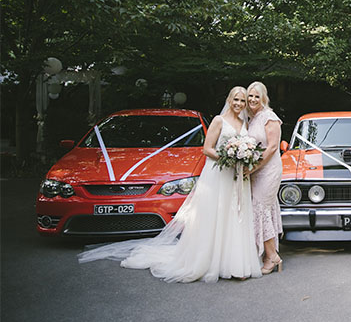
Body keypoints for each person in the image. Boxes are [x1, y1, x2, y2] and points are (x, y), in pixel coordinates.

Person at [78, 86, 262, 283]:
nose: (239, 104)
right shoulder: (219, 121)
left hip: (235, 177)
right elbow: (207, 149)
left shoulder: (244, 122)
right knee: (215, 217)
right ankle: (209, 261)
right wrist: (228, 158)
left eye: (242, 101)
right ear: (229, 99)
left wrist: (242, 159)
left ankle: (235, 264)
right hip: (218, 174)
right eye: (236, 99)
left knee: (234, 216)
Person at [246, 81, 283, 274]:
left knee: (260, 208)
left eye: (256, 96)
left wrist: (254, 167)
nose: (252, 99)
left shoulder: (269, 117)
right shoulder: (252, 119)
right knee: (262, 209)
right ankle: (268, 253)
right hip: (256, 171)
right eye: (249, 96)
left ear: (263, 98)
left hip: (269, 170)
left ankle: (272, 256)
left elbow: (272, 147)